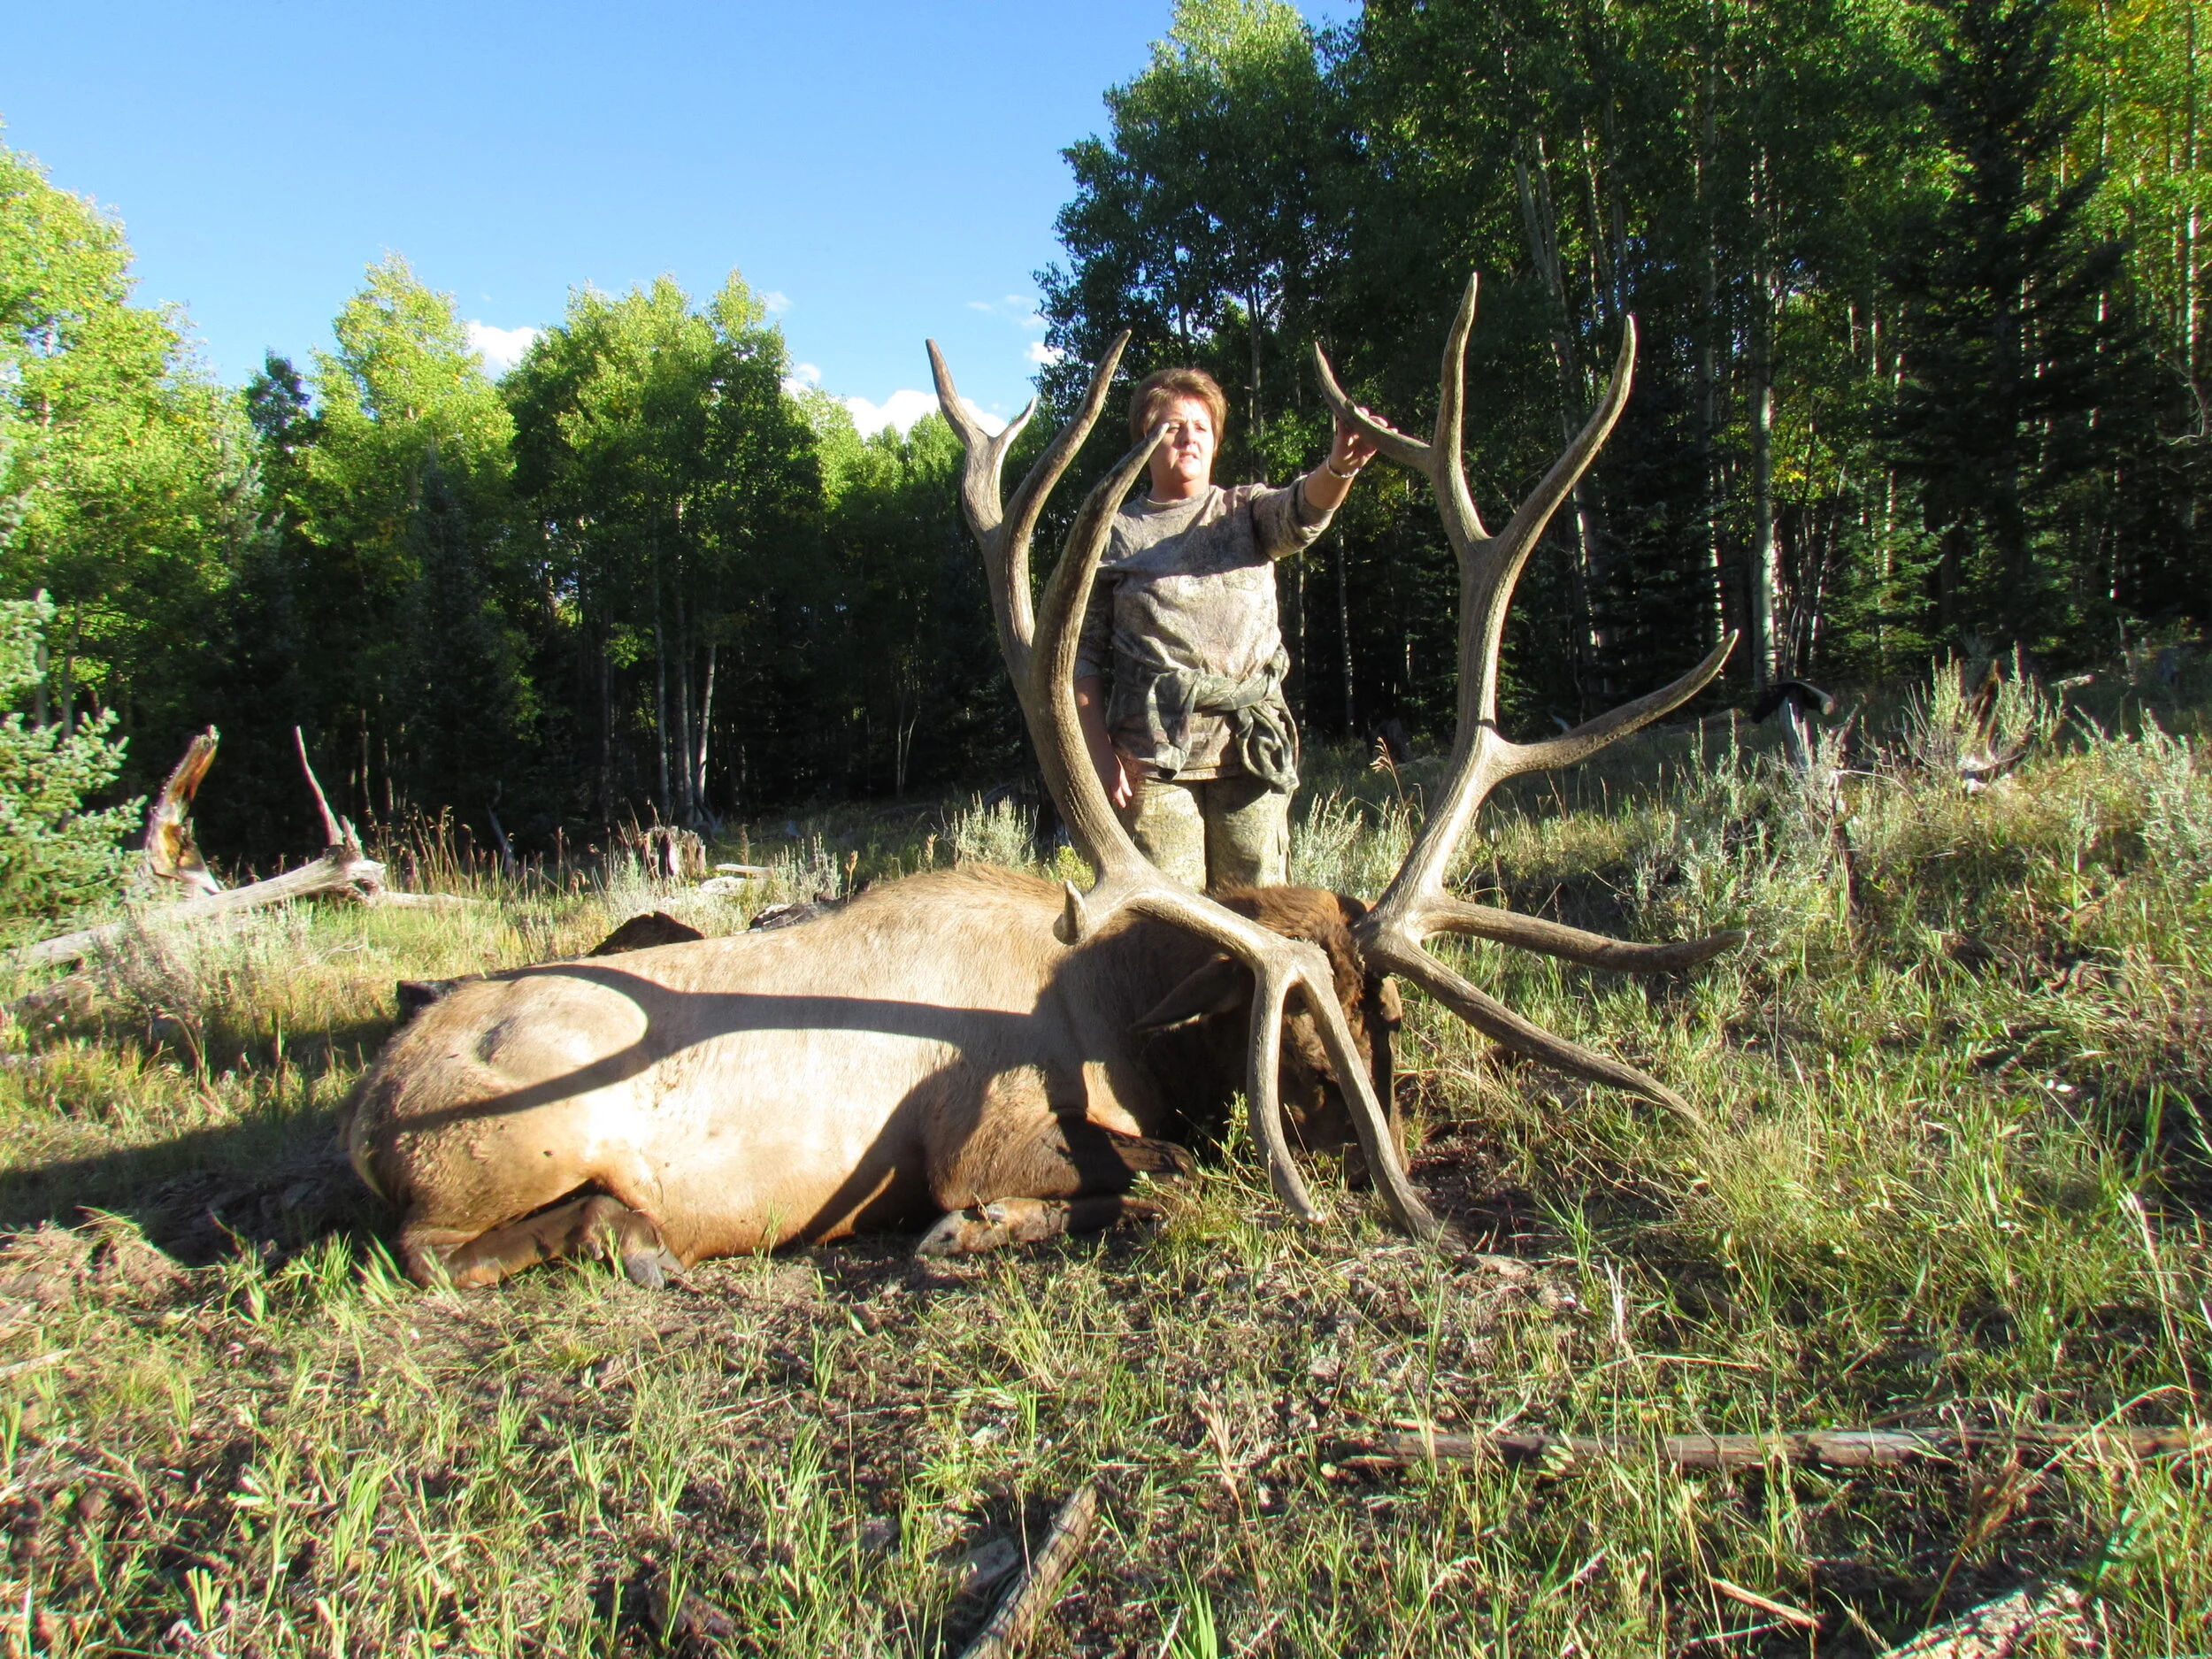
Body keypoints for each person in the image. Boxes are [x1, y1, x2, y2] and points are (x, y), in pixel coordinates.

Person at [1074, 366, 1378, 892]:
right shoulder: (1113, 533)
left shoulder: (1246, 511)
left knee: (1263, 914)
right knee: (1170, 928)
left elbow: (1303, 510)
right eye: (1171, 426)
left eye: (1201, 426)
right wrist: (1097, 756)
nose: (1189, 437)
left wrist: (1339, 468)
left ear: (1215, 440)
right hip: (1153, 764)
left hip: (1250, 751)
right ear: (1144, 440)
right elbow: (1082, 658)